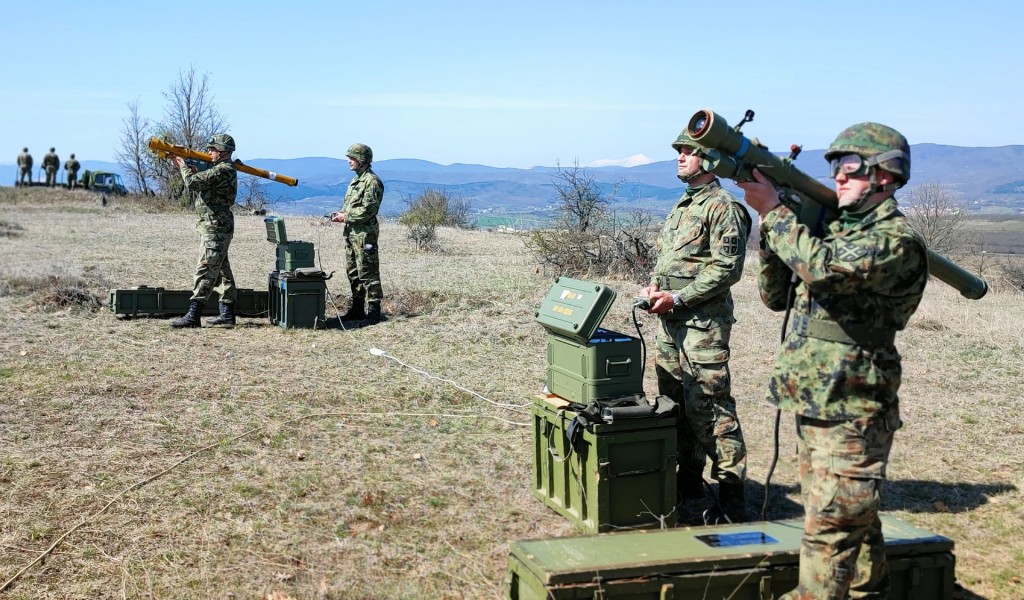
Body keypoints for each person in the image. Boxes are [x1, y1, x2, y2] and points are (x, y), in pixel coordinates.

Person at [735, 123, 927, 599]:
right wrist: (784, 222)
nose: (838, 177)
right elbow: (775, 298)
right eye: (834, 168)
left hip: (854, 408)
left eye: (849, 167)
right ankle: (869, 588)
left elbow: (821, 270)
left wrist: (777, 214)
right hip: (816, 399)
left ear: (885, 176)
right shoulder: (831, 231)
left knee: (830, 529)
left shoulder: (893, 240)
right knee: (845, 514)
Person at [636, 128, 751, 524]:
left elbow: (727, 268)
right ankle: (688, 488)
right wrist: (656, 286)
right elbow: (670, 259)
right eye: (679, 151)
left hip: (702, 326)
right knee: (675, 408)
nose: (680, 156)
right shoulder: (683, 206)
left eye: (689, 151)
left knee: (711, 408)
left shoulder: (724, 208)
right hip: (669, 324)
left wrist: (680, 298)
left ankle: (732, 501)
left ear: (710, 160)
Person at [169, 134, 239, 329]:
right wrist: (191, 167)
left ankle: (193, 315)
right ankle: (227, 313)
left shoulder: (223, 170)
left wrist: (182, 166)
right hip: (215, 225)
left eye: (213, 149)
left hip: (216, 227)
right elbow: (201, 179)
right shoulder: (220, 169)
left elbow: (192, 183)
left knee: (206, 268)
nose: (209, 152)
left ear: (224, 151)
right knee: (222, 270)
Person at [331, 143, 384, 327]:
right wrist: (341, 214)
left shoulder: (372, 182)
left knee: (367, 271)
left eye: (352, 158)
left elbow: (369, 210)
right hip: (352, 234)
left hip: (364, 235)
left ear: (362, 160)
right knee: (353, 272)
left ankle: (374, 311)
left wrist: (346, 216)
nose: (349, 162)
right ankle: (357, 308)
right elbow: (352, 206)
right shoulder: (356, 181)